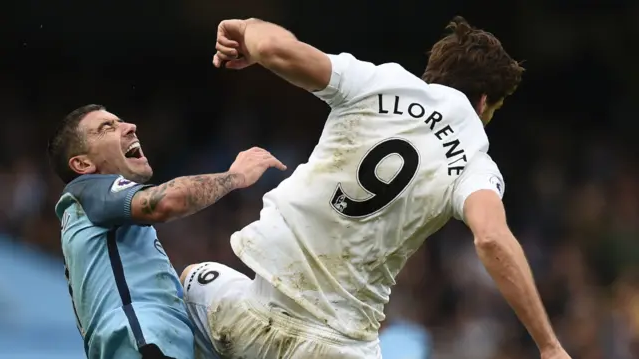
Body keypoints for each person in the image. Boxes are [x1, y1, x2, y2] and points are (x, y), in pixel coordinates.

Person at [181, 17, 572, 359]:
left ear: (432, 75)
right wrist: (548, 345)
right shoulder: (474, 161)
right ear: (485, 103)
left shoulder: (378, 81)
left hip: (249, 315)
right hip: (339, 347)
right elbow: (491, 239)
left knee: (190, 280)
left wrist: (247, 28)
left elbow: (270, 47)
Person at [48, 104, 286, 359]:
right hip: (143, 344)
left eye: (120, 121)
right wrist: (235, 176)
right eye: (107, 127)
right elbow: (165, 203)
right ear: (82, 164)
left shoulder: (100, 217)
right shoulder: (87, 190)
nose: (130, 127)